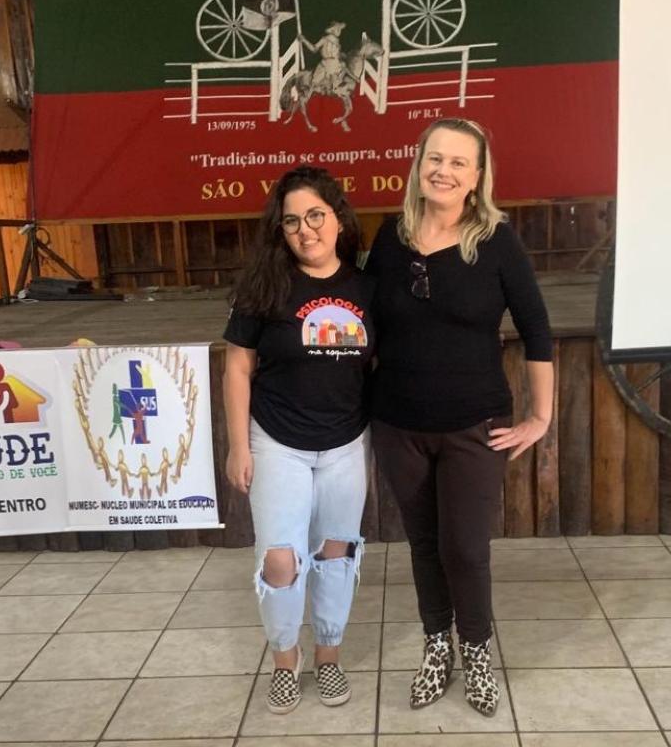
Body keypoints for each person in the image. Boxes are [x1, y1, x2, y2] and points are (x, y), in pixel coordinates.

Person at [365, 118, 553, 716]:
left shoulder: (496, 240)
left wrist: (541, 417)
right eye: (434, 158)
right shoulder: (390, 237)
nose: (443, 170)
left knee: (466, 549)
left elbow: (537, 329)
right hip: (398, 423)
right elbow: (364, 322)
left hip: (476, 426)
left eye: (458, 162)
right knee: (424, 545)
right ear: (418, 164)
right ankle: (436, 647)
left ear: (476, 177)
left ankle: (476, 652)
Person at [223, 165, 374, 715]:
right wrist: (239, 446)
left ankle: (328, 657)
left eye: (315, 216)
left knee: (336, 554)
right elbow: (237, 368)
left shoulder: (367, 287)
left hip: (345, 444)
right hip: (276, 441)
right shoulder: (263, 287)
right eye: (292, 222)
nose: (305, 230)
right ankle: (285, 661)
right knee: (281, 562)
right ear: (281, 230)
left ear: (338, 218)